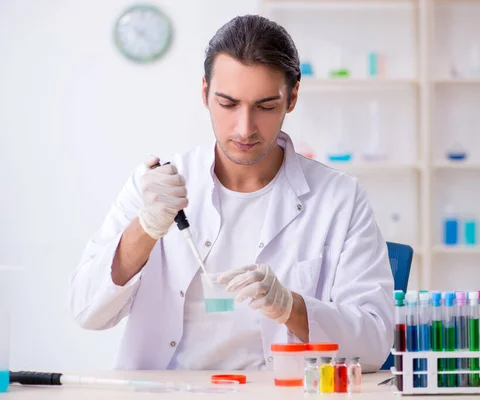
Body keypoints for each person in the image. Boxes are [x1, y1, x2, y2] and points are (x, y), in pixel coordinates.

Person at [69, 14, 394, 372]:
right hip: (167, 393)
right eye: (228, 104)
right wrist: (145, 228)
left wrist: (291, 308)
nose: (244, 128)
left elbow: (375, 344)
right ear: (205, 93)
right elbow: (87, 312)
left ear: (292, 97)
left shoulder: (339, 200)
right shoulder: (158, 184)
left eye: (266, 106)